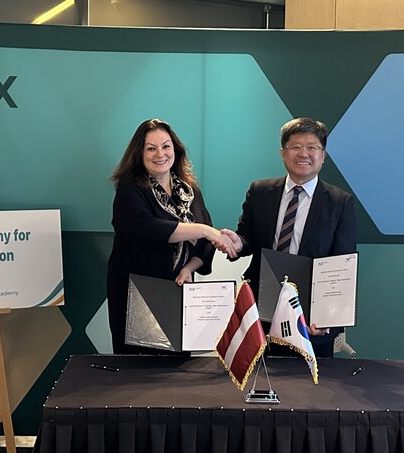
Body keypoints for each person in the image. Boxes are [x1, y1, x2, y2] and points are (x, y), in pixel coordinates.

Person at [221, 117, 357, 357]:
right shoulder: (260, 191)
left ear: (323, 155)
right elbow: (247, 238)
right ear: (283, 153)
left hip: (311, 317)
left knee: (308, 380)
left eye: (312, 147)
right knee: (258, 375)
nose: (303, 154)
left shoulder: (340, 202)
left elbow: (341, 263)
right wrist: (237, 243)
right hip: (261, 310)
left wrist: (328, 317)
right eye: (295, 147)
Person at [107, 118, 235, 355]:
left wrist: (189, 267)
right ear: (139, 153)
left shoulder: (189, 190)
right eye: (151, 148)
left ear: (176, 150)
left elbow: (205, 243)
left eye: (166, 146)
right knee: (138, 366)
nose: (160, 154)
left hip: (178, 288)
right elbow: (148, 228)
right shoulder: (130, 189)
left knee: (177, 363)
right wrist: (203, 230)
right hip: (138, 292)